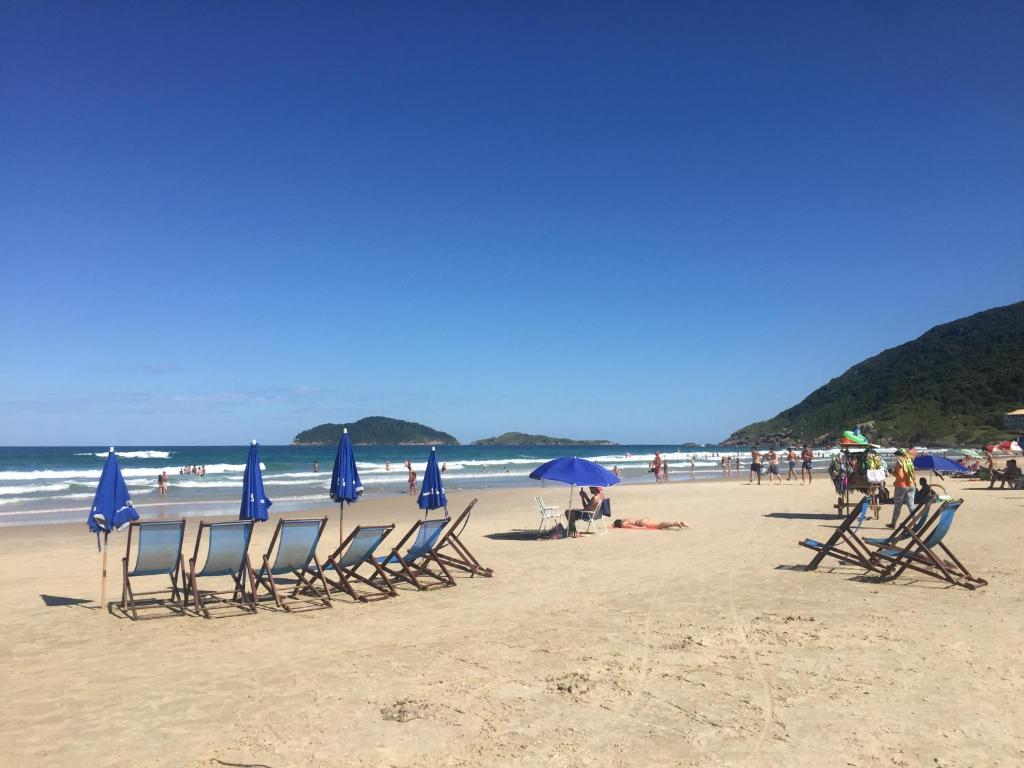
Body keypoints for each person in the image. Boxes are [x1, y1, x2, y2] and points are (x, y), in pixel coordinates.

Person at [887, 448, 916, 529]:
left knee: (898, 506)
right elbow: (913, 476)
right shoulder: (909, 461)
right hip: (911, 485)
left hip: (901, 486)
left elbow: (900, 476)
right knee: (911, 505)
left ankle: (893, 523)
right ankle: (916, 522)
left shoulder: (900, 462)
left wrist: (892, 472)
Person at [613, 518, 690, 530]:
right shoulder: (626, 519)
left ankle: (674, 523)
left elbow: (630, 526)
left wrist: (640, 528)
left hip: (641, 523)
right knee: (658, 524)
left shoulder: (623, 524)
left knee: (658, 526)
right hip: (643, 519)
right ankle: (681, 523)